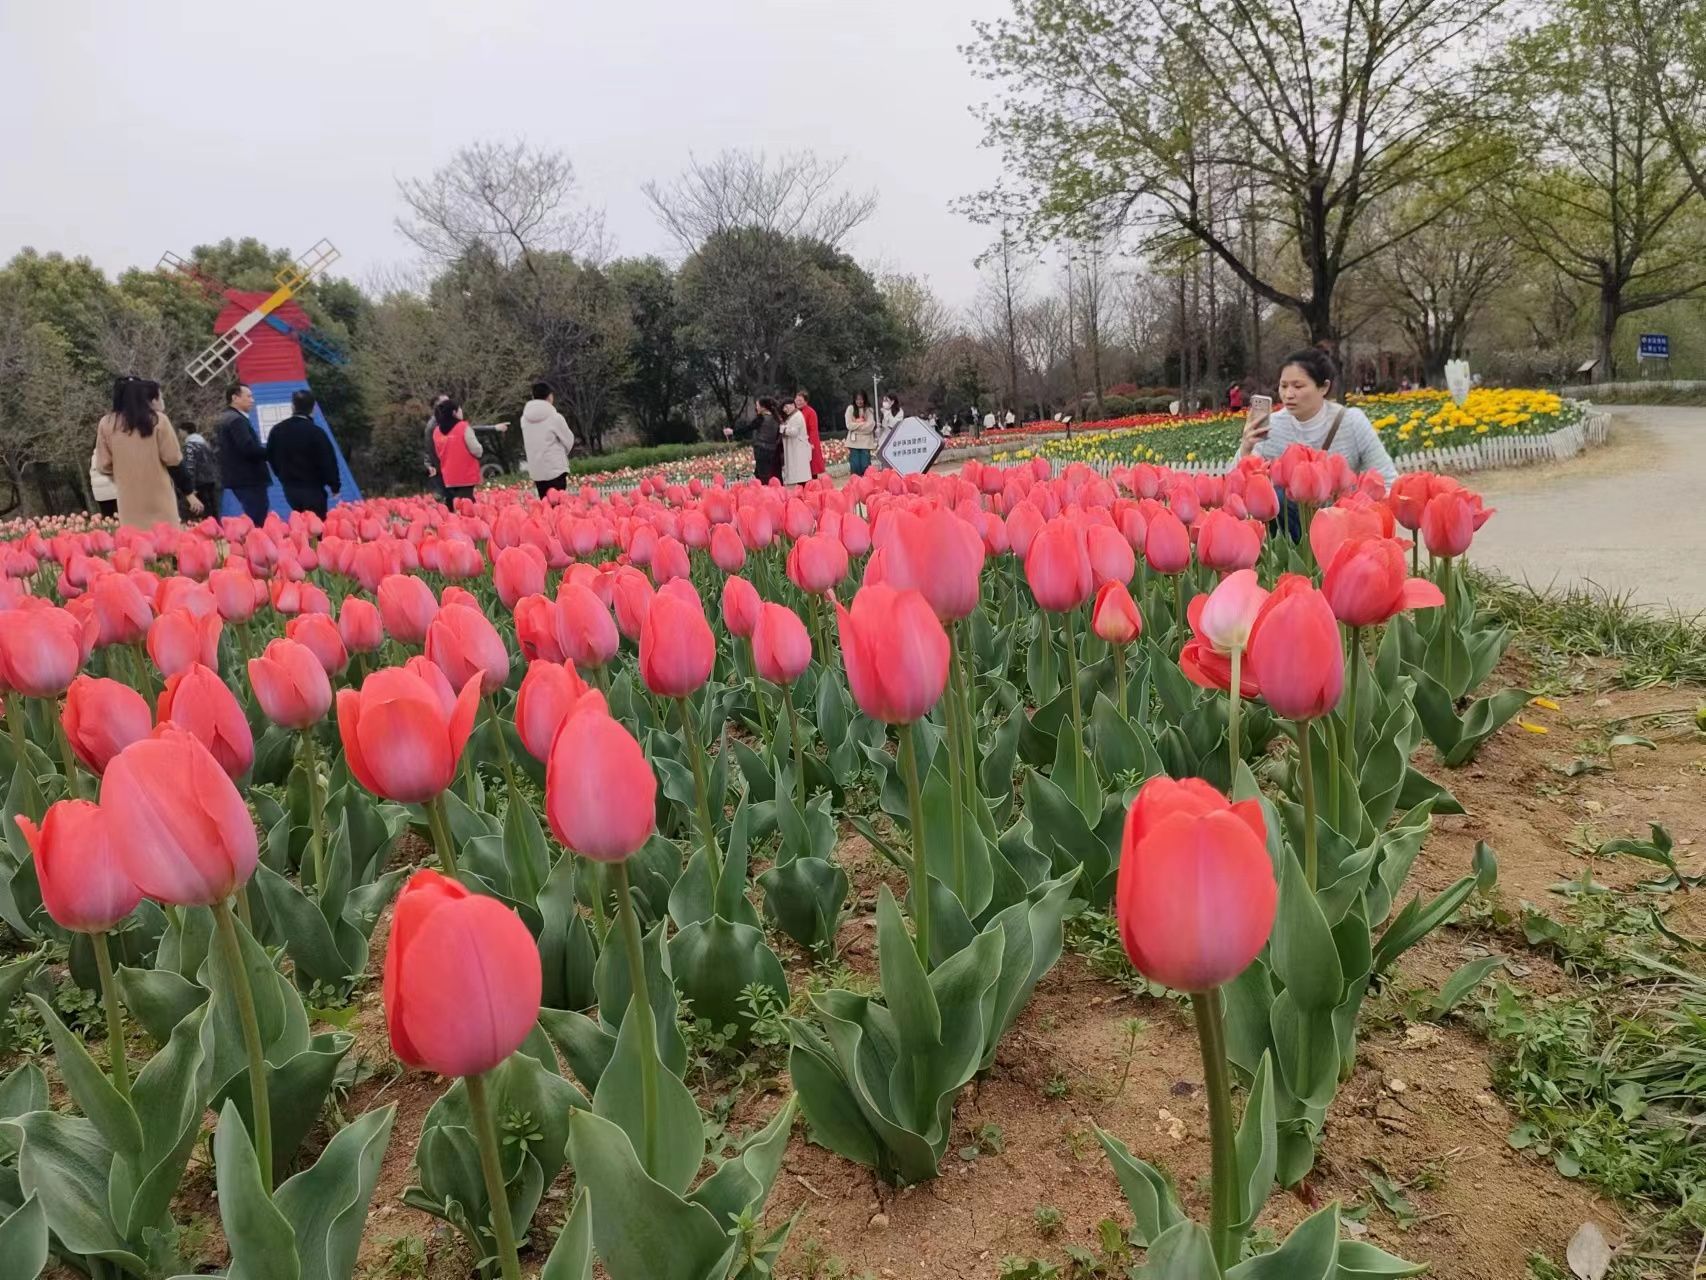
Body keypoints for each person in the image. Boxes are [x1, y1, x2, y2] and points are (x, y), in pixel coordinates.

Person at [1239, 348, 1399, 535]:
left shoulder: (1351, 422)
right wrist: (1246, 448)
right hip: (1292, 530)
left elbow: (1387, 481)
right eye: (1283, 386)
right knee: (1278, 495)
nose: (1288, 394)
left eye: (1298, 386)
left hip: (1344, 522)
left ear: (1324, 387)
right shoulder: (1272, 426)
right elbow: (1239, 486)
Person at [95, 377, 199, 530]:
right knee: (167, 542)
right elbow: (173, 459)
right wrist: (188, 491)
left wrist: (121, 471)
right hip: (160, 494)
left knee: (137, 542)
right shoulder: (158, 420)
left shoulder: (107, 424)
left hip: (129, 497)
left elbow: (103, 465)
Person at [266, 390, 342, 517]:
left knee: (300, 525)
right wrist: (335, 486)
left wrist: (282, 477)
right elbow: (328, 461)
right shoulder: (316, 433)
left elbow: (271, 456)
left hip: (290, 489)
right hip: (313, 489)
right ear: (313, 408)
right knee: (316, 528)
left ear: (292, 406)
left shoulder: (277, 430)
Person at [216, 382, 271, 523]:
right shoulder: (236, 420)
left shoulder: (225, 418)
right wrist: (273, 452)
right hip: (249, 478)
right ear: (235, 398)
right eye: (248, 396)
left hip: (238, 477)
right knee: (258, 517)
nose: (252, 400)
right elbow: (248, 448)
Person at [519, 380, 576, 497]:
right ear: (550, 396)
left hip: (537, 470)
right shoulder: (555, 417)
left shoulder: (524, 419)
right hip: (555, 469)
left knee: (545, 509)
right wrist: (561, 453)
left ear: (533, 397)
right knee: (559, 508)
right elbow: (569, 440)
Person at [432, 397, 484, 505]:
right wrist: (480, 451)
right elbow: (476, 450)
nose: (462, 412)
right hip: (466, 474)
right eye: (460, 409)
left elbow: (438, 454)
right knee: (467, 505)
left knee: (456, 504)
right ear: (454, 412)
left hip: (448, 476)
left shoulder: (436, 432)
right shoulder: (463, 427)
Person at [179, 422, 217, 520]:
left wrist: (190, 486)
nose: (179, 434)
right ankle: (217, 530)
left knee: (202, 510)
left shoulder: (189, 447)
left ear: (184, 431)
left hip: (199, 482)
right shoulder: (205, 445)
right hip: (211, 480)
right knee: (213, 508)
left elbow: (190, 466)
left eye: (180, 431)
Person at [779, 396, 812, 486]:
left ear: (793, 405)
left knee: (801, 474)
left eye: (786, 407)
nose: (785, 409)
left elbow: (794, 432)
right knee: (799, 474)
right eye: (783, 408)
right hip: (794, 448)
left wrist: (783, 429)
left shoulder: (797, 416)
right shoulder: (792, 416)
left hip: (798, 448)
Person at [750, 397, 782, 483]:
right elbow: (779, 435)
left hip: (761, 449)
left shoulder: (761, 418)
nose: (756, 408)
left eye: (757, 406)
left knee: (762, 475)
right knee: (768, 474)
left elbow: (748, 428)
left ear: (763, 407)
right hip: (772, 450)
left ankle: (763, 493)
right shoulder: (777, 418)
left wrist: (732, 431)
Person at [844, 391, 877, 475]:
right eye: (857, 399)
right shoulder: (850, 409)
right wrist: (863, 424)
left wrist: (856, 426)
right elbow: (849, 425)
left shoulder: (869, 410)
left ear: (865, 399)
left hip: (866, 443)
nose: (859, 401)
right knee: (855, 467)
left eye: (861, 399)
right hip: (854, 442)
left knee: (865, 466)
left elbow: (870, 426)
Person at [794, 390, 824, 478]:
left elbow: (813, 430)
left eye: (800, 401)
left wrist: (811, 443)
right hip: (797, 442)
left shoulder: (811, 412)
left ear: (806, 401)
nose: (798, 402)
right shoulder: (794, 412)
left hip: (808, 442)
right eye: (797, 400)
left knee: (811, 466)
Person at [89, 446, 118, 518]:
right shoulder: (109, 454)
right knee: (118, 517)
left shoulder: (93, 457)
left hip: (100, 495)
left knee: (108, 517)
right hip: (113, 492)